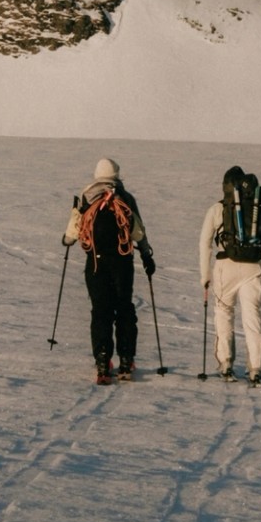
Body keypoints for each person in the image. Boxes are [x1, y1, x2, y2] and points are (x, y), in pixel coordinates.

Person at [61, 158, 155, 385]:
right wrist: (146, 255)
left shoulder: (87, 196)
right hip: (122, 262)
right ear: (117, 175)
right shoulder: (125, 198)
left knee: (101, 310)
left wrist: (66, 240)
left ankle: (103, 361)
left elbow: (71, 235)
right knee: (124, 308)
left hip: (96, 263)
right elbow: (138, 231)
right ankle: (126, 360)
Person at [199, 165, 261, 386]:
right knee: (252, 317)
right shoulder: (255, 207)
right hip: (253, 268)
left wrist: (205, 276)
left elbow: (204, 243)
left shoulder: (217, 209)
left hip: (225, 267)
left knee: (224, 313)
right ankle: (255, 368)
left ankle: (226, 363)